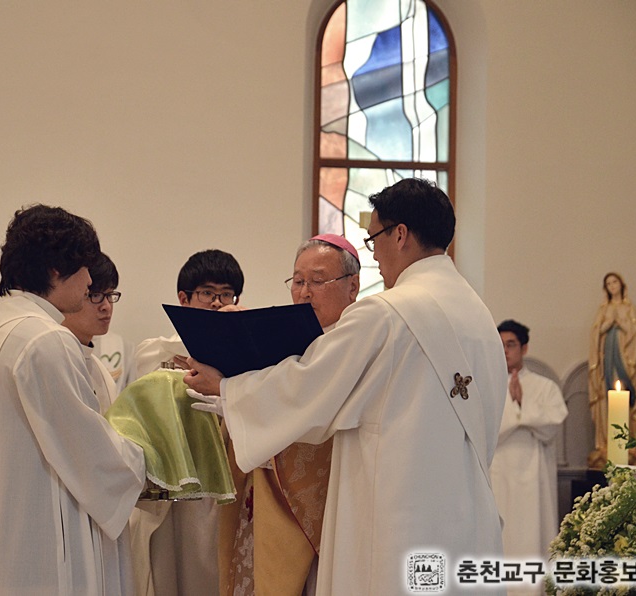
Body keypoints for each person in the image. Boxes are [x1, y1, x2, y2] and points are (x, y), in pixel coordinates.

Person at [182, 178, 507, 594]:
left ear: (400, 235)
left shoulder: (386, 313)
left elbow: (309, 386)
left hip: (395, 522)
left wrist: (227, 388)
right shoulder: (480, 318)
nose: (375, 255)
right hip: (467, 518)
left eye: (374, 239)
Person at [0, 205, 146, 595]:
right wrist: (145, 457)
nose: (89, 280)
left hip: (14, 522)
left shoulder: (2, 327)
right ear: (56, 271)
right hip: (43, 530)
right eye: (84, 268)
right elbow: (88, 449)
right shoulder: (46, 339)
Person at [217, 234, 359, 596]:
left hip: (329, 505)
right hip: (265, 499)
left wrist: (231, 391)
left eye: (317, 281)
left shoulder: (355, 343)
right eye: (298, 281)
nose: (304, 292)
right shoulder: (282, 339)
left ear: (353, 287)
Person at [130, 248, 244, 596]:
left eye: (226, 294)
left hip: (225, 483)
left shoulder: (244, 354)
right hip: (174, 487)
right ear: (184, 298)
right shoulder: (156, 350)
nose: (217, 303)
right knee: (169, 570)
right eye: (208, 293)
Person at [490, 320, 568, 578]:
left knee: (533, 534)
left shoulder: (545, 387)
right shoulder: (486, 385)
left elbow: (553, 424)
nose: (505, 351)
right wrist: (519, 414)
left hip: (535, 479)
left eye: (510, 344)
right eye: (500, 345)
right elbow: (486, 429)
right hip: (499, 475)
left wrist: (521, 405)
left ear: (524, 348)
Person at [587, 272, 636, 468]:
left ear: (621, 284)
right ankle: (606, 442)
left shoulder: (629, 308)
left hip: (625, 359)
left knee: (624, 394)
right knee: (606, 397)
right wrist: (607, 325)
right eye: (608, 283)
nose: (612, 286)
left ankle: (627, 442)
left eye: (614, 282)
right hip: (607, 360)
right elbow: (595, 333)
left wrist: (622, 323)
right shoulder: (604, 309)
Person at [61, 251, 124, 414]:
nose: (106, 306)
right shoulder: (55, 359)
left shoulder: (101, 373)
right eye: (95, 295)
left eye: (110, 295)